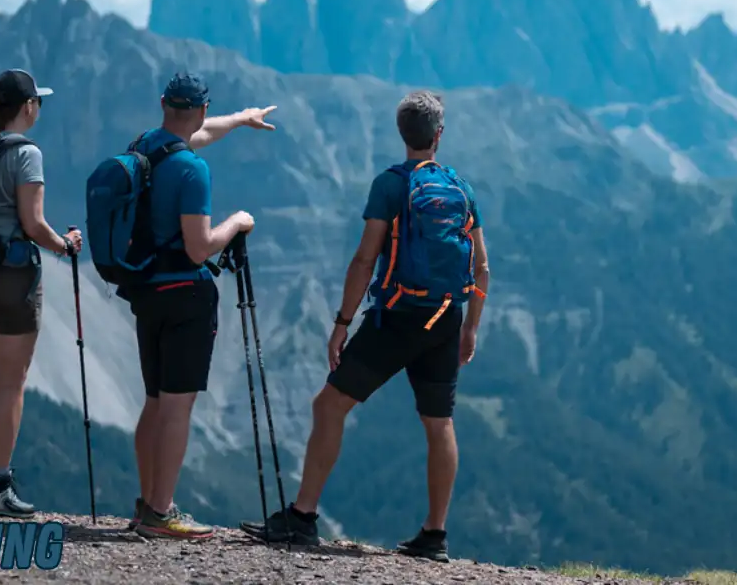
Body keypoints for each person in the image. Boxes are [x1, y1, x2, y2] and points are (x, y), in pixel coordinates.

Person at [242, 90, 490, 562]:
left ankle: (303, 516)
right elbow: (482, 268)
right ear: (439, 135)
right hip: (445, 317)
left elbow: (364, 259)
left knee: (329, 405)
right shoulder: (462, 187)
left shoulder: (391, 185)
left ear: (403, 134)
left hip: (397, 318)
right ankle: (434, 536)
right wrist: (470, 328)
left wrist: (340, 323)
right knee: (439, 424)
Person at [124, 72, 276, 540]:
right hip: (185, 297)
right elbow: (198, 247)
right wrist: (237, 223)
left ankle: (147, 503)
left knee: (154, 401)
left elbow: (196, 134)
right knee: (177, 406)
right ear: (202, 109)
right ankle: (162, 511)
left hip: (145, 290)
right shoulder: (192, 170)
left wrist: (241, 119)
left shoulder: (143, 147)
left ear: (163, 103)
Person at [0, 69, 83, 518]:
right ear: (27, 107)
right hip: (11, 277)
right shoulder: (27, 154)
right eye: (37, 102)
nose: (39, 107)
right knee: (12, 382)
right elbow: (33, 223)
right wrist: (66, 245)